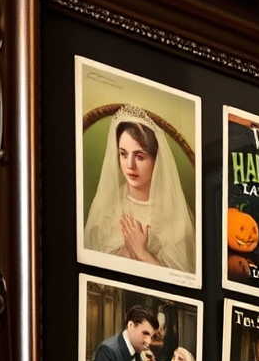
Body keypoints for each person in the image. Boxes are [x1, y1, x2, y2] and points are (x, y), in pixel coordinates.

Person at [83, 107, 197, 274]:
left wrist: (142, 252)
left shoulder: (175, 216)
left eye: (140, 156)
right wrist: (128, 251)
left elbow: (182, 285)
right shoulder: (108, 206)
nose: (130, 165)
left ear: (156, 159)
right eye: (123, 154)